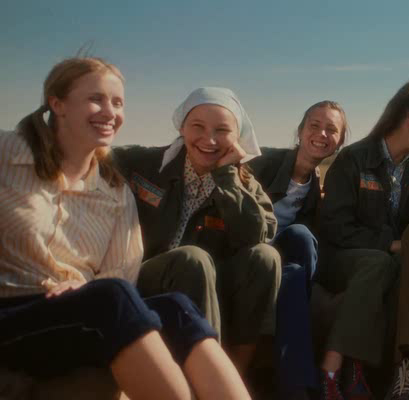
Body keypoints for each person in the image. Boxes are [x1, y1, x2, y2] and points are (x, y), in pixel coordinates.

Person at [0, 57, 249, 400]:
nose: (110, 112)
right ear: (57, 104)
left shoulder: (114, 190)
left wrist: (85, 287)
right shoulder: (7, 153)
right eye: (96, 99)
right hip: (12, 308)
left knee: (176, 308)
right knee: (110, 297)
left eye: (117, 103)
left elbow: (122, 269)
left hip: (73, 312)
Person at [112, 87, 282, 377]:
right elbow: (88, 157)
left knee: (265, 257)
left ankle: (232, 374)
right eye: (198, 127)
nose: (209, 139)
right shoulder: (143, 165)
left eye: (222, 130)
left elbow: (254, 236)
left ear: (238, 137)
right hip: (145, 277)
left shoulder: (243, 183)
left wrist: (226, 177)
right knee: (192, 258)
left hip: (208, 291)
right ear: (182, 127)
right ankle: (208, 378)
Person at [317, 81, 409, 400]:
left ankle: (398, 372)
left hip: (390, 261)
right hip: (342, 258)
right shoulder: (353, 159)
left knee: (397, 265)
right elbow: (335, 227)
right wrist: (390, 244)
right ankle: (339, 370)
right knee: (381, 261)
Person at [248, 100, 349, 399]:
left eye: (331, 130)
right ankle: (298, 385)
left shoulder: (316, 185)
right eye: (314, 126)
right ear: (300, 131)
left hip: (283, 257)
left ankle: (295, 387)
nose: (322, 134)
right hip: (249, 250)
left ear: (340, 141)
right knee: (299, 244)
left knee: (296, 260)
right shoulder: (263, 163)